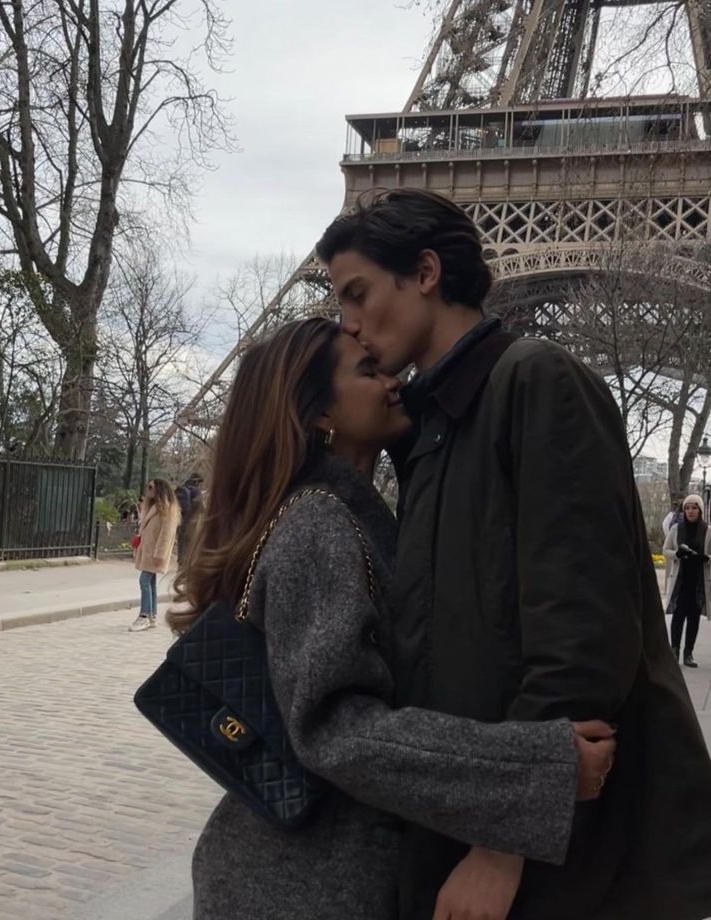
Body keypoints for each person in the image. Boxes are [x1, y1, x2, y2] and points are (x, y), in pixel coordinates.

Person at [316, 188, 711, 920]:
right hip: (470, 821)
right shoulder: (431, 428)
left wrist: (503, 848)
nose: (349, 322)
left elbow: (582, 640)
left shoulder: (537, 382)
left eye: (358, 293)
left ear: (426, 271)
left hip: (556, 854)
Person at [168, 318, 615, 920]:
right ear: (321, 413)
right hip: (300, 887)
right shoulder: (320, 525)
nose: (394, 381)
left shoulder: (342, 514)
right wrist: (536, 769)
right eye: (369, 371)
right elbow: (335, 728)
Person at [664, 494, 711, 667]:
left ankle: (688, 653)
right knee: (678, 616)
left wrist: (707, 558)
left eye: (694, 508)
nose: (690, 511)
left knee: (694, 619)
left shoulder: (708, 531)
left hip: (699, 582)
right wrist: (676, 554)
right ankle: (674, 650)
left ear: (699, 510)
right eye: (687, 508)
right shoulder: (676, 529)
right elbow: (665, 550)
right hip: (681, 580)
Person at [130, 478, 180, 633]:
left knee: (144, 581)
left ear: (159, 489)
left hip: (155, 553)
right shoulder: (153, 507)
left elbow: (166, 535)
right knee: (150, 583)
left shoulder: (167, 509)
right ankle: (152, 616)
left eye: (150, 487)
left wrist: (159, 554)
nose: (148, 490)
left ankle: (144, 615)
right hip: (148, 551)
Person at [175, 474, 204, 566]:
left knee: (182, 546)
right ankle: (187, 568)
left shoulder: (182, 489)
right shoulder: (196, 492)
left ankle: (180, 566)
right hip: (192, 523)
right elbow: (200, 507)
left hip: (181, 522)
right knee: (190, 547)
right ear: (198, 482)